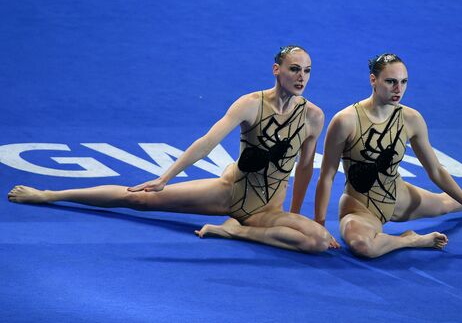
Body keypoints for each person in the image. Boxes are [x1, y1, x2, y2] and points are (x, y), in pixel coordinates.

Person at [8, 45, 338, 253]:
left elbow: (306, 168)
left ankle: (236, 233)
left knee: (318, 242)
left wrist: (296, 214)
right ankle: (50, 194)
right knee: (137, 198)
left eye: (307, 70)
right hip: (229, 192)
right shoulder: (250, 105)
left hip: (268, 209)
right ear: (277, 70)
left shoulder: (313, 116)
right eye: (295, 69)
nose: (302, 77)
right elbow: (207, 143)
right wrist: (165, 177)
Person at [313, 53, 462, 258]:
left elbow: (435, 171)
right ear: (373, 80)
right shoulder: (345, 120)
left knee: (445, 205)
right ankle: (410, 239)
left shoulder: (411, 119)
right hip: (359, 208)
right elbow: (327, 176)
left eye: (403, 82)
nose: (398, 89)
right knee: (364, 246)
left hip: (399, 196)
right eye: (390, 82)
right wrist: (320, 225)